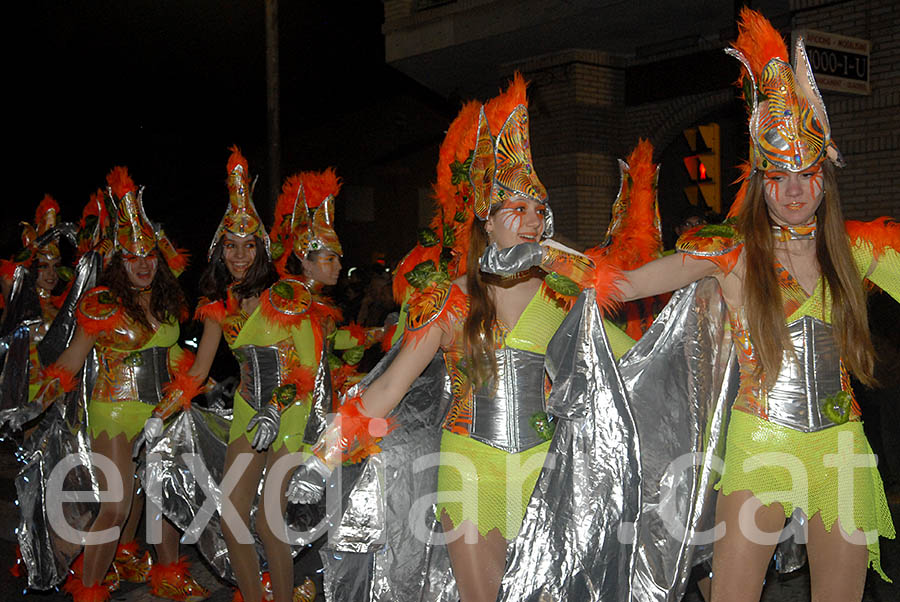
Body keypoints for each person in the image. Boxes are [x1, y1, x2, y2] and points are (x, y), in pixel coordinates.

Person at [290, 75, 646, 602]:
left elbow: (630, 359)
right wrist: (321, 459)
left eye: (538, 210)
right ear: (488, 216)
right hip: (469, 468)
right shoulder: (449, 300)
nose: (530, 221)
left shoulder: (561, 295)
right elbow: (387, 391)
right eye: (515, 209)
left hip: (542, 469)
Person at [616, 10, 899, 601]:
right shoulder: (732, 253)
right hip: (760, 444)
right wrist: (536, 260)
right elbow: (627, 285)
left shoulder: (857, 250)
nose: (794, 189)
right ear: (759, 182)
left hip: (840, 445)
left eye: (805, 172)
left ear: (824, 178)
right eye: (778, 174)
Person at [16, 167, 207, 602]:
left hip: (163, 411)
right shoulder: (102, 304)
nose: (142, 264)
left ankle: (167, 573)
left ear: (160, 258)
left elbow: (174, 354)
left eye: (149, 256)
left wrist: (199, 381)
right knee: (116, 507)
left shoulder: (167, 301)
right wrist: (29, 401)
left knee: (163, 498)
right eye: (132, 257)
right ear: (118, 261)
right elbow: (69, 362)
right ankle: (89, 590)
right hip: (115, 411)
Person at [173, 147, 316, 602]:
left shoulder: (288, 297)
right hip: (248, 407)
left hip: (291, 410)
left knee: (266, 518)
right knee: (233, 512)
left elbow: (307, 370)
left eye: (247, 245)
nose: (238, 255)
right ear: (220, 250)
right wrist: (158, 417)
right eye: (230, 246)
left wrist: (275, 411)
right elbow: (196, 371)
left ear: (262, 248)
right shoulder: (219, 306)